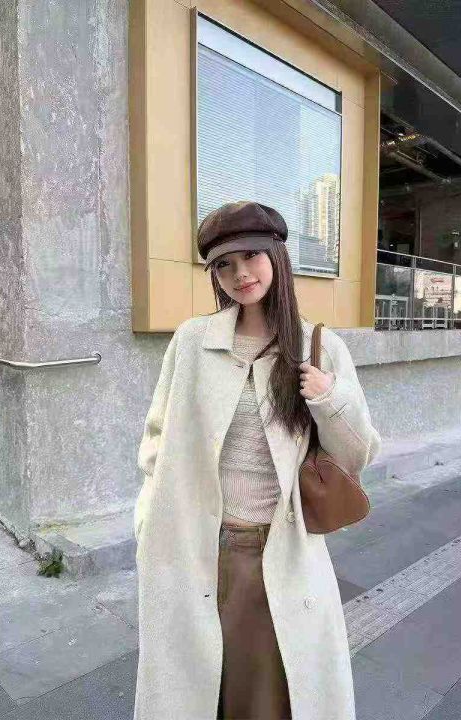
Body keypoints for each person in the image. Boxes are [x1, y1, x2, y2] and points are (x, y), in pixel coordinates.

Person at [133, 200, 382, 720]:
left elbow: (357, 455)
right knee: (196, 690)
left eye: (251, 256)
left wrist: (329, 398)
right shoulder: (193, 341)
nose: (240, 274)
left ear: (276, 257)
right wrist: (147, 518)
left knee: (267, 696)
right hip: (200, 547)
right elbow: (157, 437)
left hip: (280, 552)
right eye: (224, 265)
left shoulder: (320, 348)